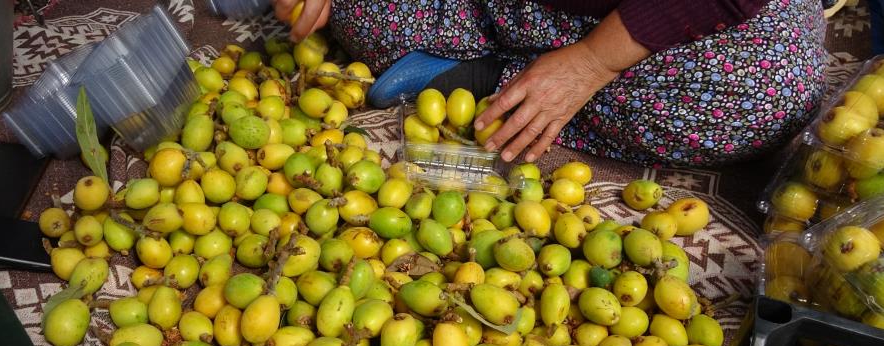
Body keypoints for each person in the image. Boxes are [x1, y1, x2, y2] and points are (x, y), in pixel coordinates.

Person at [273, 0, 828, 167]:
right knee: (357, 14)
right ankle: (515, 59)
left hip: (666, 20)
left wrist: (592, 63)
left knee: (768, 99)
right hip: (519, 6)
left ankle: (493, 74)